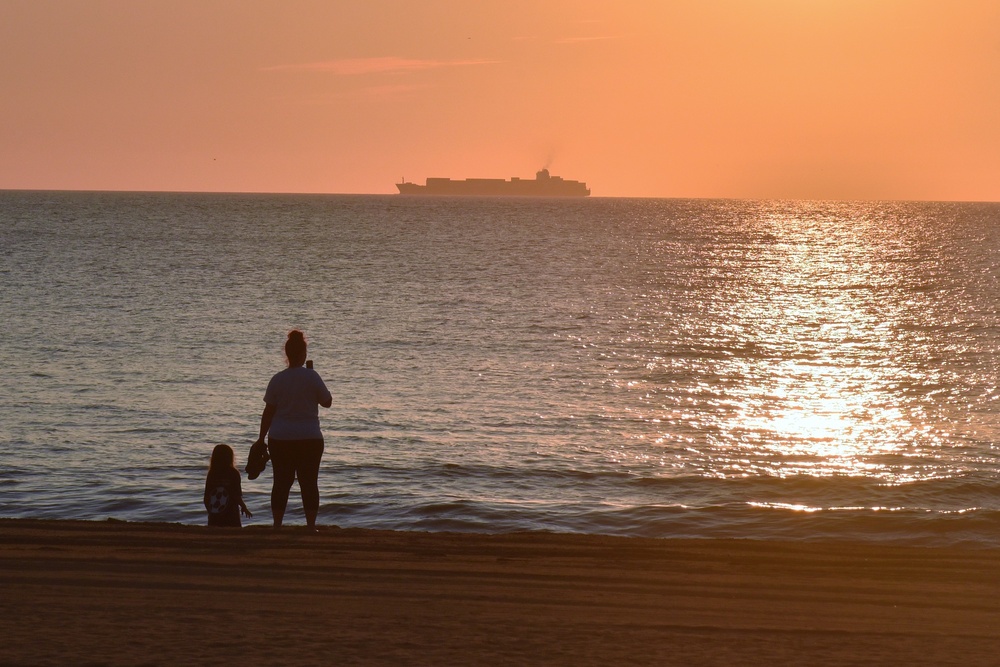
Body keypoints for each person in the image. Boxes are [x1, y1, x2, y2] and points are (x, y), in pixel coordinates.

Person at [253, 330, 332, 530]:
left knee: (281, 483)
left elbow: (268, 412)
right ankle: (310, 526)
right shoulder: (312, 376)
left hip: (280, 438)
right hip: (310, 438)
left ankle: (277, 525)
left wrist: (261, 438)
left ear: (287, 355)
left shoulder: (277, 379)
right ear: (303, 354)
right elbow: (327, 402)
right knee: (309, 483)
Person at [204, 444, 252, 527]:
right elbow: (236, 495)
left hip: (215, 515)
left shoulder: (212, 473)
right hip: (231, 514)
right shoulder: (234, 473)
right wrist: (244, 507)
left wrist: (210, 511)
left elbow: (207, 496)